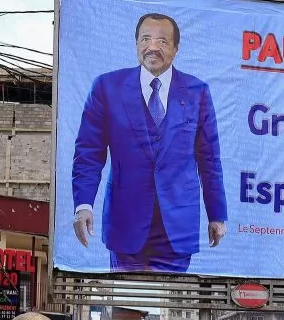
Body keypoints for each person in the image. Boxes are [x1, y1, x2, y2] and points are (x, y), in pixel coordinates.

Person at [71, 12, 227, 273]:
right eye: (145, 39)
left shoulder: (197, 92)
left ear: (176, 49)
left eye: (162, 41)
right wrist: (84, 205)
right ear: (136, 45)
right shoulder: (107, 87)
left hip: (177, 226)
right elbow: (88, 152)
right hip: (125, 222)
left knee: (172, 310)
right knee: (126, 307)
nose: (152, 46)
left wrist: (217, 215)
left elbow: (209, 159)